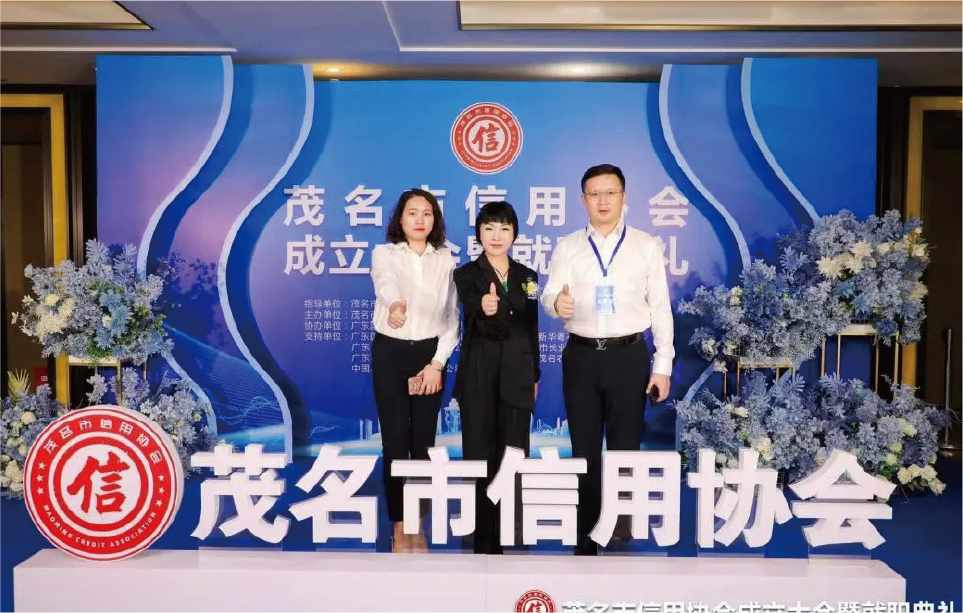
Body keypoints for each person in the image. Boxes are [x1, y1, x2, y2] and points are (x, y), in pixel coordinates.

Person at [540, 163, 674, 555]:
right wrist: (556, 304)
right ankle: (585, 529)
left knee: (624, 445)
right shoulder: (567, 246)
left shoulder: (646, 246)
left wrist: (662, 366)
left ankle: (619, 528)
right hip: (581, 355)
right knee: (583, 447)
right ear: (583, 200)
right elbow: (549, 294)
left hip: (628, 355)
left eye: (610, 193)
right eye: (594, 194)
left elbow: (660, 308)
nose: (602, 201)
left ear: (623, 197)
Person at [370, 188, 458, 553]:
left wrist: (437, 364)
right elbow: (385, 283)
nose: (420, 219)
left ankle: (417, 520)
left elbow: (452, 318)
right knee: (394, 440)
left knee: (423, 442)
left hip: (429, 354)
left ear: (435, 220)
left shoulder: (446, 260)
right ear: (400, 218)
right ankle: (398, 522)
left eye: (427, 213)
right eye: (412, 213)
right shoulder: (385, 254)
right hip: (391, 351)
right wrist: (394, 306)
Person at [453, 201, 540, 554]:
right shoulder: (465, 274)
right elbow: (472, 304)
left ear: (514, 234)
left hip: (518, 371)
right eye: (489, 228)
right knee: (478, 450)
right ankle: (479, 529)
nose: (496, 235)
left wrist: (535, 373)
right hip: (479, 370)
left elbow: (532, 325)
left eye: (504, 228)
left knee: (514, 450)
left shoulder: (529, 277)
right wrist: (485, 307)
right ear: (479, 234)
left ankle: (513, 527)